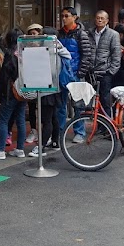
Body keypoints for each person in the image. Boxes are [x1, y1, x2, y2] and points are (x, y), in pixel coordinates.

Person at [0, 30, 27, 160]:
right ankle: (20, 148)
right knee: (20, 120)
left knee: (3, 120)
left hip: (10, 92)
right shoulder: (25, 52)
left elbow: (4, 76)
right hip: (23, 91)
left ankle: (0, 150)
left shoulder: (9, 54)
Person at [30, 24, 71, 158]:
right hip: (56, 88)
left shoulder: (48, 51)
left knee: (46, 119)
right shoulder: (58, 48)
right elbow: (68, 56)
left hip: (47, 89)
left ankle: (41, 147)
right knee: (53, 117)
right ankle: (55, 142)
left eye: (42, 34)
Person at [57, 7, 93, 144]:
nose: (64, 18)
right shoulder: (59, 34)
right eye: (62, 16)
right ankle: (60, 131)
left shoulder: (81, 34)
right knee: (60, 105)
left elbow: (86, 55)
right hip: (61, 73)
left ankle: (80, 132)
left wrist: (80, 73)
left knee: (78, 105)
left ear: (74, 17)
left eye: (66, 16)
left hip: (75, 74)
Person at [90, 10, 122, 115]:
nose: (99, 20)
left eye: (102, 18)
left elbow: (116, 54)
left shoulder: (113, 34)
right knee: (92, 100)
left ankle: (106, 126)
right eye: (98, 18)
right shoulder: (89, 33)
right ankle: (96, 123)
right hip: (91, 73)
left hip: (105, 72)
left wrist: (111, 71)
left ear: (107, 20)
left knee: (105, 100)